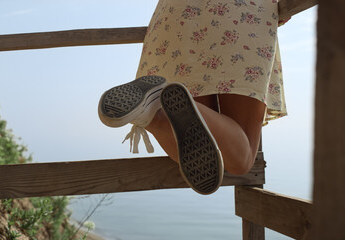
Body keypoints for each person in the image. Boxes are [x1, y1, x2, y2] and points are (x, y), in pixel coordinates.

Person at [98, 0, 287, 195]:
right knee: (241, 161)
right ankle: (156, 104)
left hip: (177, 15)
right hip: (240, 13)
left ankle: (151, 114)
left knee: (198, 151)